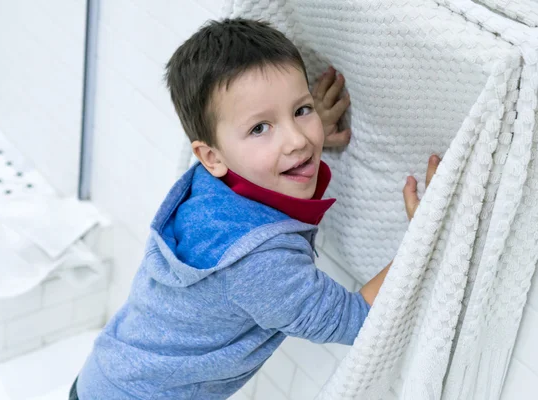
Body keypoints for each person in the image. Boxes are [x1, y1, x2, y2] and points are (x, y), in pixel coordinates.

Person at [70, 18, 440, 400]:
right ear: (211, 155)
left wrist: (305, 137)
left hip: (104, 374)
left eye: (301, 110)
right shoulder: (260, 264)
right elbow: (359, 321)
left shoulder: (210, 181)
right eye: (260, 128)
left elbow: (268, 145)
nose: (296, 139)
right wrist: (424, 235)